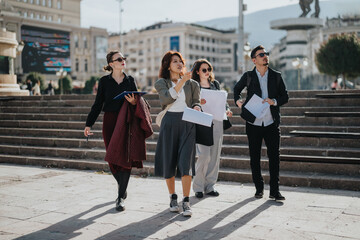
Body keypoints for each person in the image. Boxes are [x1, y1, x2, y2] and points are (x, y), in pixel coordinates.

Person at [84, 51, 153, 212]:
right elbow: (97, 104)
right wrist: (89, 124)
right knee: (112, 158)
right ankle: (123, 187)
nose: (123, 61)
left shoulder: (130, 80)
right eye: (119, 59)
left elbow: (138, 101)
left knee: (126, 158)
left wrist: (134, 101)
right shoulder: (104, 81)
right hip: (109, 121)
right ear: (111, 64)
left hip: (127, 121)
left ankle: (120, 196)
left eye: (124, 59)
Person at [233, 45, 289, 201]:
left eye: (266, 54)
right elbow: (236, 89)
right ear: (254, 59)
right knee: (254, 157)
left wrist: (274, 101)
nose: (265, 56)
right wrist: (238, 101)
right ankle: (259, 188)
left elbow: (285, 96)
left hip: (271, 122)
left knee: (274, 158)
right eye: (261, 54)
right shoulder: (249, 76)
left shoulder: (276, 76)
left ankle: (274, 191)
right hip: (253, 123)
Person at [154, 51, 201, 217]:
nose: (179, 63)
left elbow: (196, 101)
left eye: (181, 61)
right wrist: (181, 81)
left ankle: (186, 201)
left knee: (186, 162)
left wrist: (197, 107)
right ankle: (173, 197)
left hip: (188, 123)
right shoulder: (161, 83)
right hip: (169, 123)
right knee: (169, 161)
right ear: (168, 65)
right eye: (175, 61)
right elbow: (167, 99)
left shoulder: (193, 84)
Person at [191, 59, 232, 199]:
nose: (207, 72)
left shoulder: (215, 84)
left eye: (209, 69)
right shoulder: (194, 86)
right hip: (202, 121)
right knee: (204, 155)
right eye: (204, 70)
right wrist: (197, 104)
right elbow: (191, 102)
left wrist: (227, 110)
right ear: (197, 71)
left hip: (217, 121)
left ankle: (210, 186)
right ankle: (198, 187)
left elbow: (222, 101)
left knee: (215, 155)